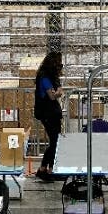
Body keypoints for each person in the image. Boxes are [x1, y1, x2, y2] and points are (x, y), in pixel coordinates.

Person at [33, 52, 64, 181]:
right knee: (55, 141)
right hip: (47, 113)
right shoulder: (45, 77)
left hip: (52, 113)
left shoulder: (51, 77)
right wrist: (59, 92)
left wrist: (58, 90)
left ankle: (48, 168)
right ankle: (45, 169)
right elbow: (52, 96)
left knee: (55, 141)